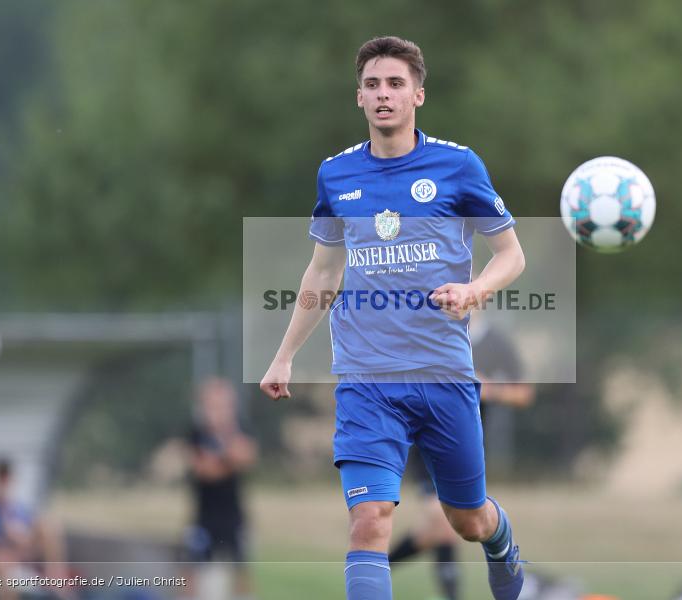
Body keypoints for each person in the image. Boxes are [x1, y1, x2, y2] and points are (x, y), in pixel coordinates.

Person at [260, 36, 527, 600]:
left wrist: (474, 290)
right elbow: (323, 272)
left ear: (418, 96)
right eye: (373, 85)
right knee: (370, 519)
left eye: (396, 84)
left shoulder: (457, 166)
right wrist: (284, 354)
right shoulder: (335, 176)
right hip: (365, 379)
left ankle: (501, 541)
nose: (384, 95)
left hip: (443, 375)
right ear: (358, 98)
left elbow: (512, 256)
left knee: (465, 519)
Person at [389, 311, 535, 600]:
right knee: (441, 521)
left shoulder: (495, 342)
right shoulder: (431, 332)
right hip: (428, 435)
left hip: (467, 441)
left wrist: (489, 390)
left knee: (445, 526)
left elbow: (524, 394)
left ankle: (376, 566)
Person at [184, 377, 258, 599]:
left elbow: (246, 457)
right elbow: (204, 470)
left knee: (241, 572)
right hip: (203, 516)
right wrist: (228, 459)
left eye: (223, 404)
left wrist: (222, 448)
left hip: (234, 516)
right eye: (212, 405)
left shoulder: (241, 428)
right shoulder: (196, 433)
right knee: (191, 571)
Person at [0, 456, 67, 600]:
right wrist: (3, 519)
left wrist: (17, 540)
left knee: (48, 525)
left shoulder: (19, 509)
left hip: (18, 553)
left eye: (7, 480)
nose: (4, 484)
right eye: (1, 480)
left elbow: (25, 541)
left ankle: (58, 582)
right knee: (2, 562)